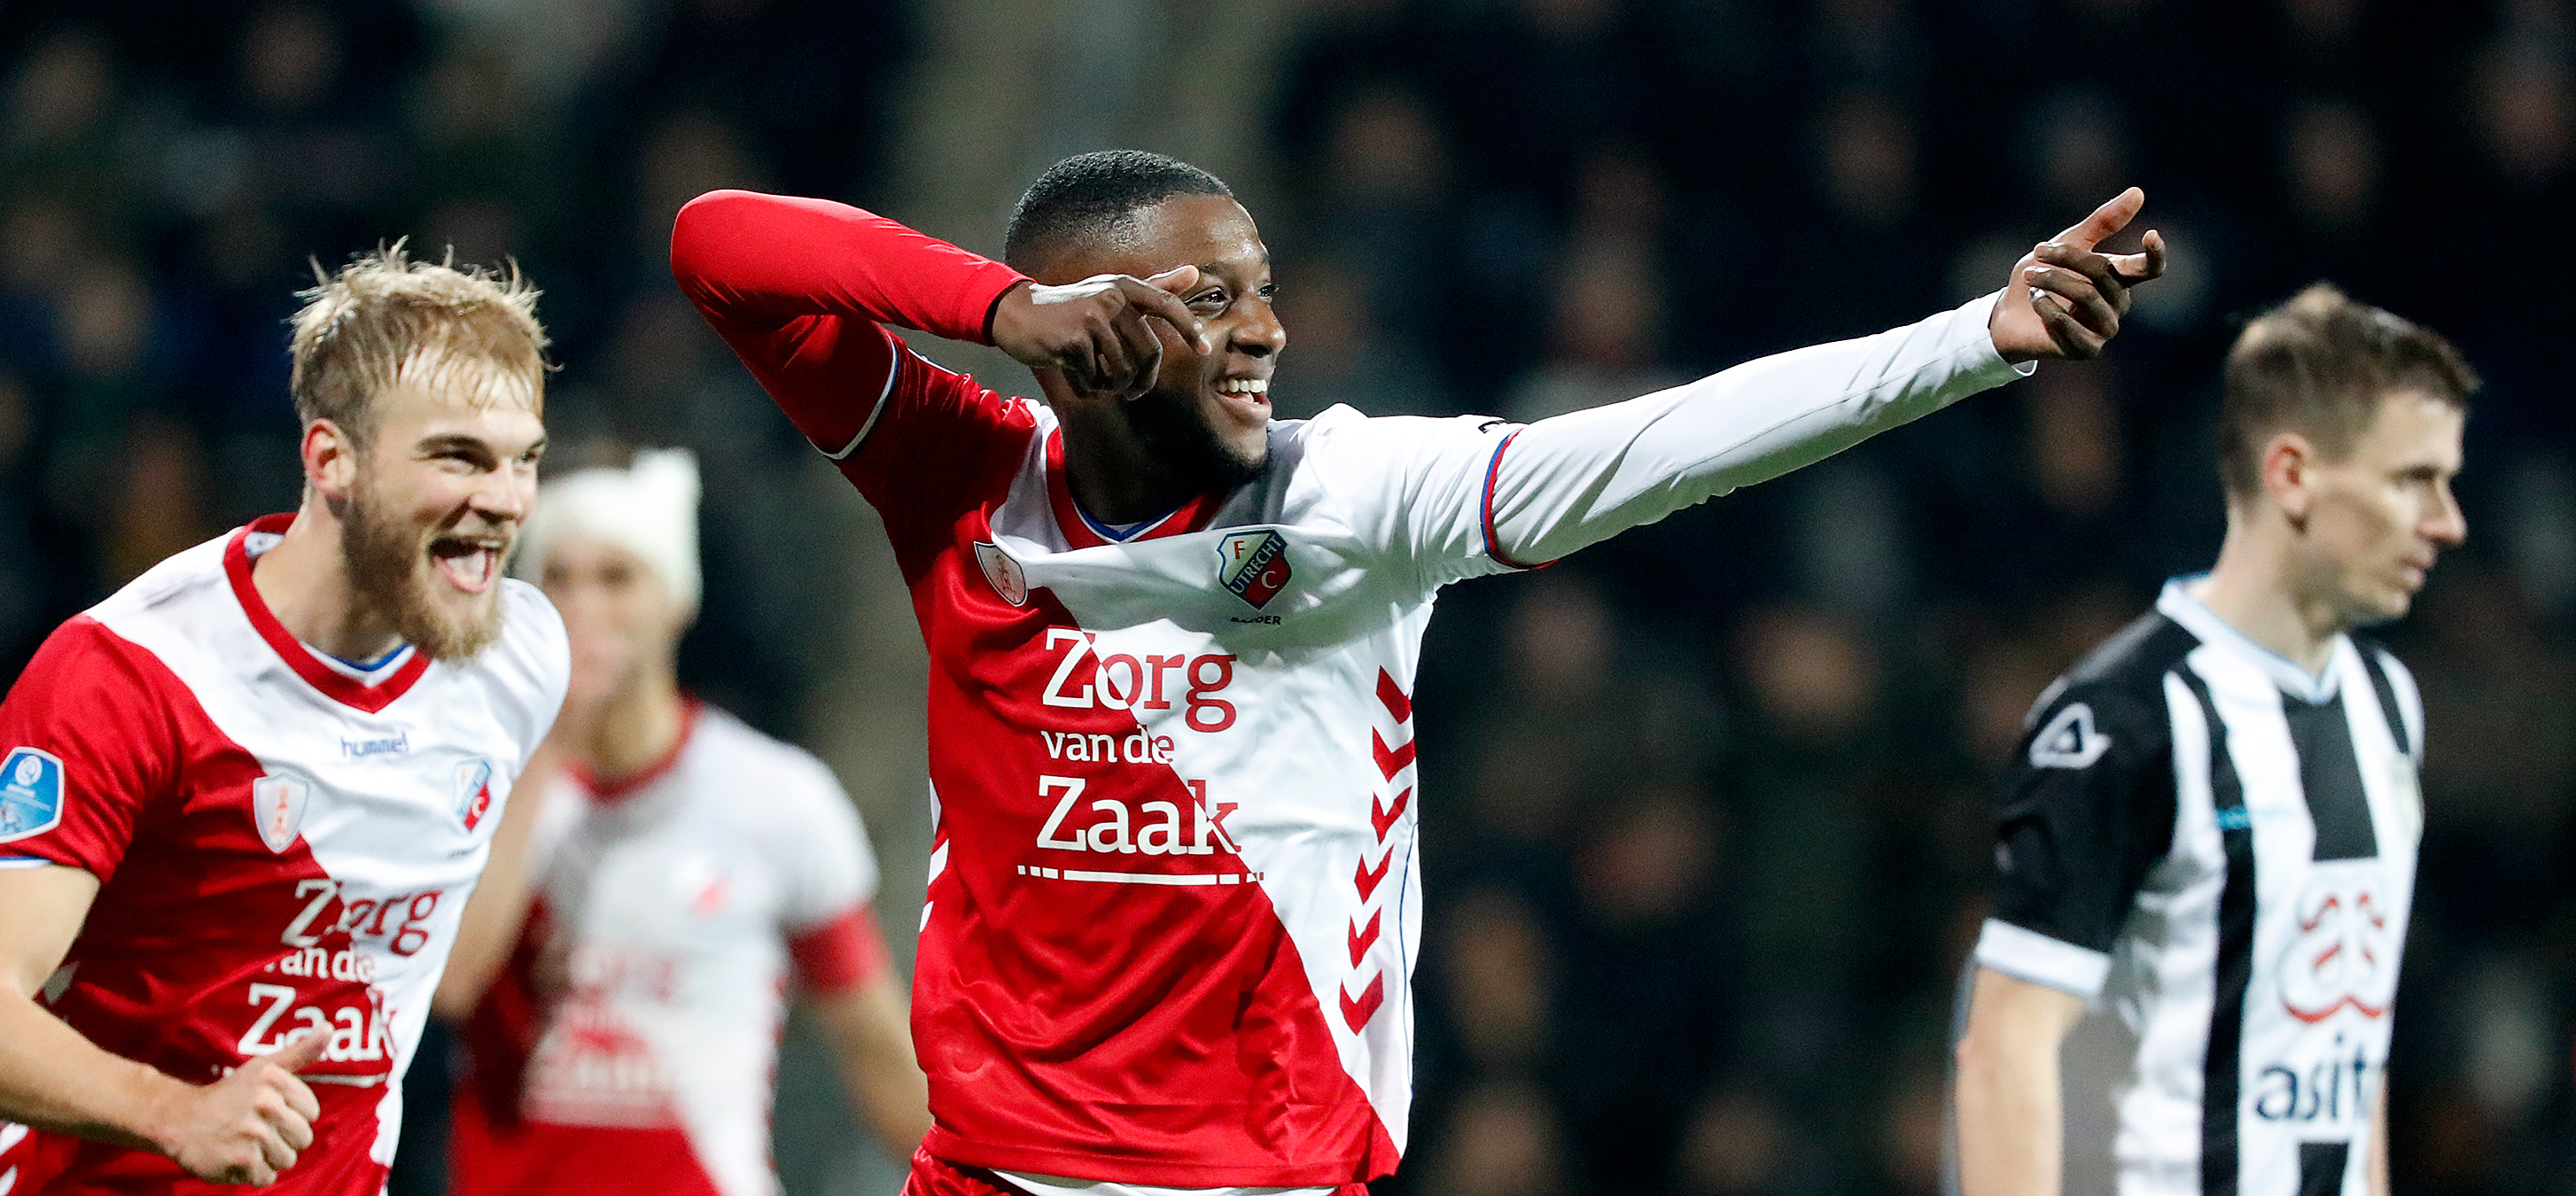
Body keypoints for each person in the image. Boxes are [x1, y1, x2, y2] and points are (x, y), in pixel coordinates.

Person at [667, 150, 2160, 1196]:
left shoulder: (1358, 500)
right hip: (992, 1172)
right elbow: (719, 246)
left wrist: (1981, 340)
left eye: (1259, 287)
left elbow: (1672, 443)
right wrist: (996, 309)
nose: (1265, 326)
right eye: (1206, 297)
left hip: (1266, 1178)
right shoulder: (959, 480)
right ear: (1082, 334)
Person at [0, 246, 569, 1194]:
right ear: (331, 458)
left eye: (523, 462)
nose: (503, 502)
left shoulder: (520, 657)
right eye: (457, 456)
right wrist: (175, 1111)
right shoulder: (135, 673)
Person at [1951, 284, 2475, 1196]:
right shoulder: (2126, 720)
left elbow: (2352, 1044)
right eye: (2410, 480)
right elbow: (2006, 1047)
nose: (2446, 522)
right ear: (2293, 476)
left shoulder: (2387, 699)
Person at [436, 448, 927, 1196]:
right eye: (558, 580)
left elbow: (870, 1042)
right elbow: (450, 986)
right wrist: (549, 748)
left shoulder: (774, 797)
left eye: (616, 578)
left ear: (675, 600)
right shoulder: (481, 789)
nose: (584, 608)